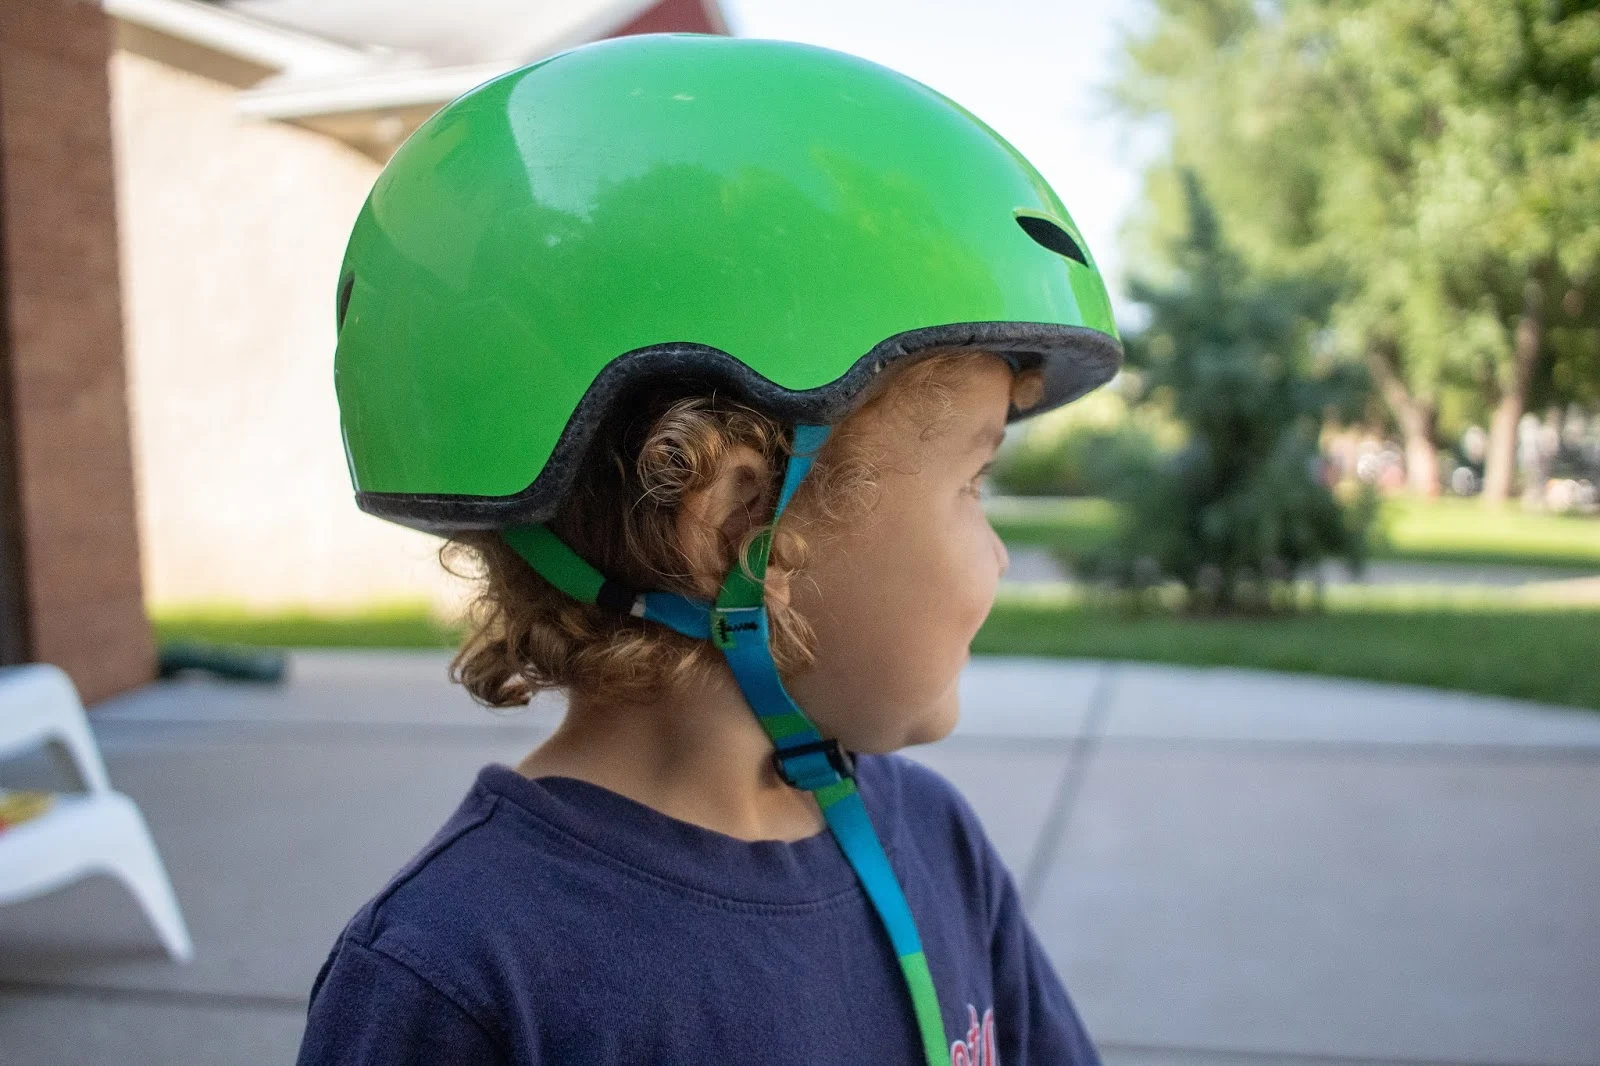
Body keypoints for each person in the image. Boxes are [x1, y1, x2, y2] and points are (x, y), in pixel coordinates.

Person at [298, 33, 1121, 1066]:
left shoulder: (932, 844)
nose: (997, 555)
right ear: (740, 522)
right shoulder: (462, 979)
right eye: (970, 482)